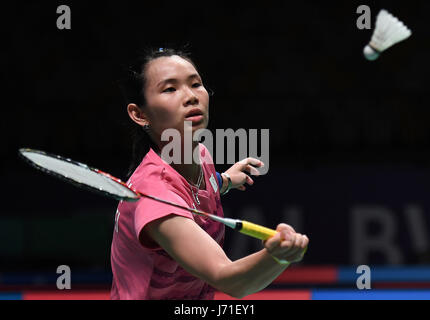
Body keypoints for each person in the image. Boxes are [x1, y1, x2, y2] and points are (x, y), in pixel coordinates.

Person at [110, 47, 309, 300]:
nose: (191, 97)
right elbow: (229, 279)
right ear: (140, 114)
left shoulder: (199, 154)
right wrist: (278, 256)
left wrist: (224, 180)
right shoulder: (154, 197)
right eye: (170, 89)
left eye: (196, 84)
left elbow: (192, 189)